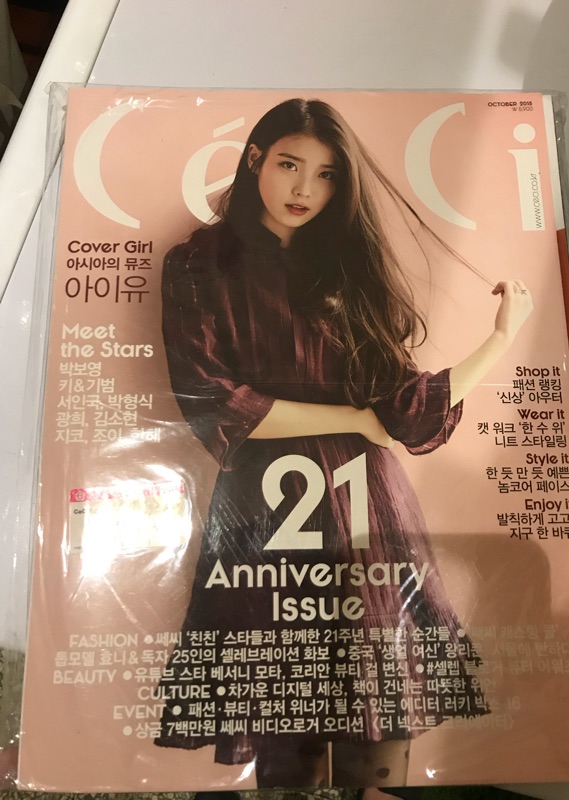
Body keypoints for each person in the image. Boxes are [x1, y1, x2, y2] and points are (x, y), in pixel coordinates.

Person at [155, 98, 533, 788]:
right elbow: (214, 403)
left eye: (327, 175)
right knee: (284, 729)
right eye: (289, 164)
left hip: (368, 514)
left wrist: (500, 339)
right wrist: (352, 421)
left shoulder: (347, 269)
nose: (305, 188)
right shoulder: (198, 264)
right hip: (265, 513)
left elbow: (405, 414)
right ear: (254, 159)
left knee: (378, 734)